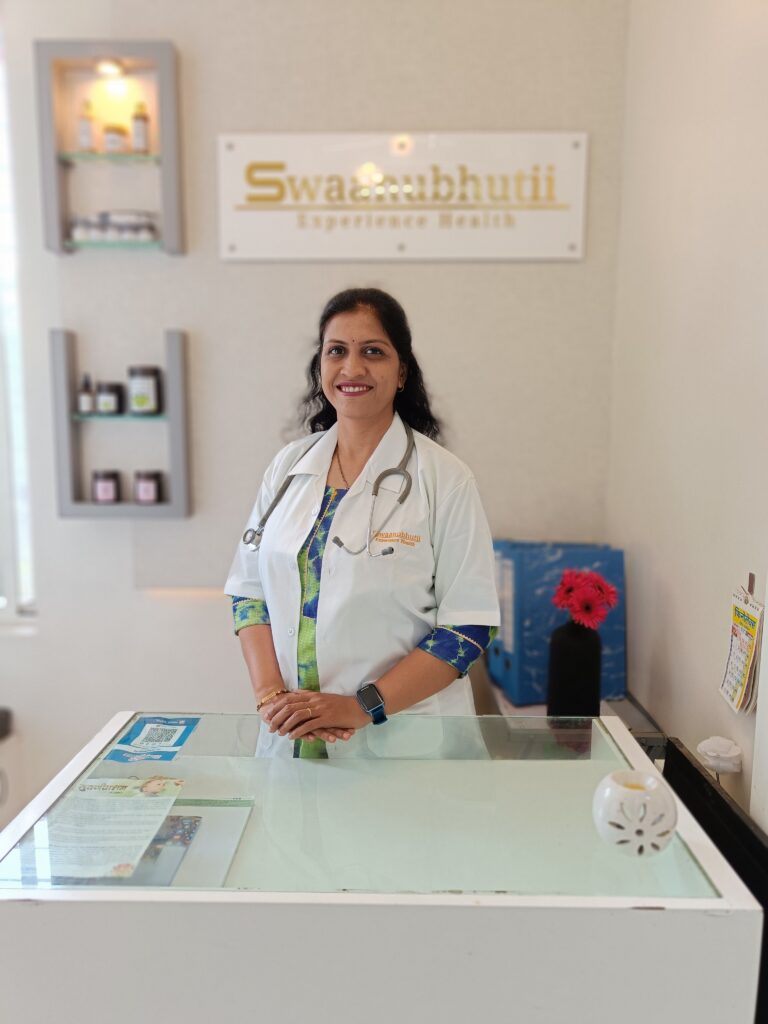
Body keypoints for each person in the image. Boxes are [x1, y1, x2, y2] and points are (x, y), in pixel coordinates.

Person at [225, 288, 499, 758]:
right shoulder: (288, 468)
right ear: (321, 367)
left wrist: (360, 707)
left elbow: (467, 630)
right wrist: (271, 696)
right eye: (337, 351)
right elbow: (249, 594)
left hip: (399, 744)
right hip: (289, 734)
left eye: (373, 351)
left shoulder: (444, 479)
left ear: (402, 372)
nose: (352, 369)